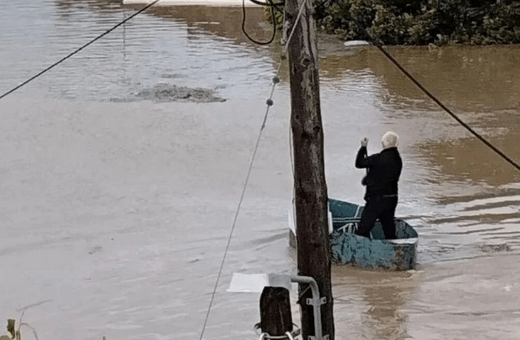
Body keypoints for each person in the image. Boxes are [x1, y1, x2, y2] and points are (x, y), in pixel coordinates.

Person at [355, 131, 402, 239]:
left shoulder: (378, 158)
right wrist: (368, 179)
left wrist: (363, 147)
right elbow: (384, 176)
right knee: (389, 229)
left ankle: (362, 250)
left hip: (376, 199)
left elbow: (359, 163)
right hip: (392, 198)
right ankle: (394, 251)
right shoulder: (398, 160)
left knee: (363, 230)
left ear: (383, 143)